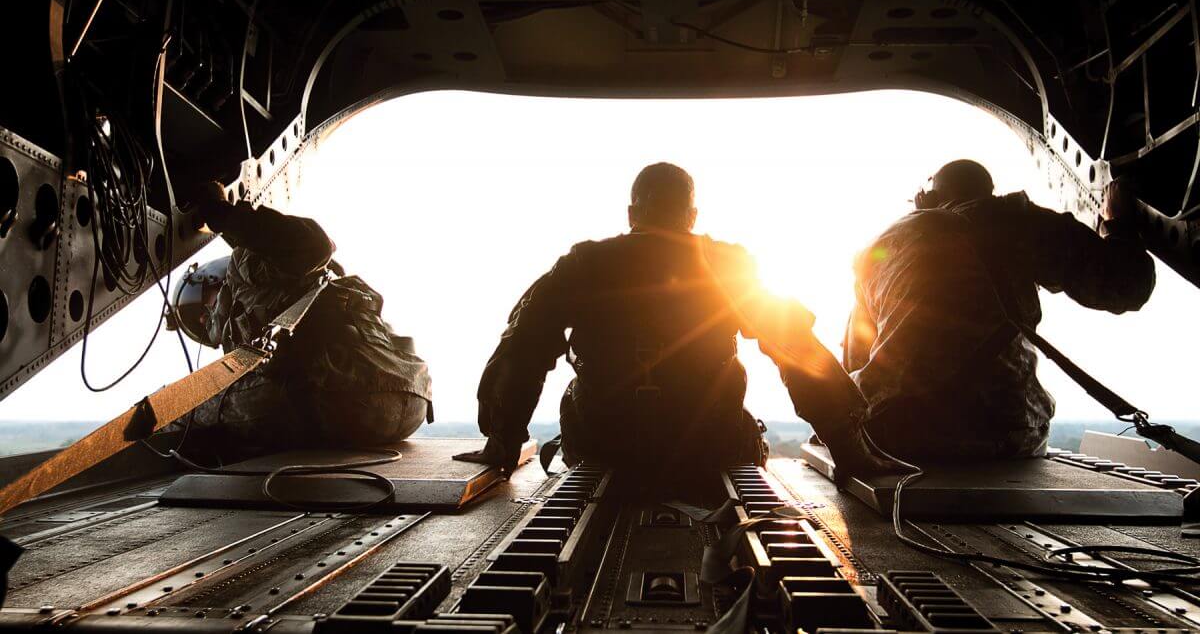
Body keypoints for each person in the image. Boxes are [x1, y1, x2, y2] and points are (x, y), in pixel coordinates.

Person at [456, 162, 893, 477]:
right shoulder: (729, 264)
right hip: (709, 445)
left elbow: (524, 346)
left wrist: (502, 443)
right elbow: (795, 344)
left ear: (631, 214)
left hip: (604, 446)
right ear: (692, 216)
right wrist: (848, 447)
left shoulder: (583, 263)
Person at [844, 159, 1156, 464]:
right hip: (997, 436)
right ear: (986, 193)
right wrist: (1116, 221)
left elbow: (856, 359)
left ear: (927, 199)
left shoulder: (875, 251)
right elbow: (1125, 285)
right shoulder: (1010, 220)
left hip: (892, 436)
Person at [167, 182, 433, 459]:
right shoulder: (305, 285)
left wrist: (221, 214)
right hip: (407, 399)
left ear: (212, 282)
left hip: (348, 398)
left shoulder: (248, 270)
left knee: (179, 405)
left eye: (199, 307)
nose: (202, 318)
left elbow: (315, 246)